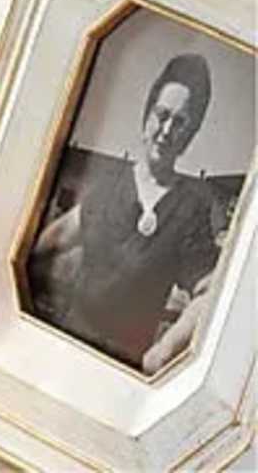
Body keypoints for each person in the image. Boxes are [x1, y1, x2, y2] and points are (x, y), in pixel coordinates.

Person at [27, 51, 230, 370]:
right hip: (63, 347)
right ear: (147, 116)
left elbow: (208, 295)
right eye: (162, 115)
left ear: (189, 135)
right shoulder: (110, 186)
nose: (166, 130)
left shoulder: (191, 209)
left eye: (180, 123)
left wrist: (163, 351)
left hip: (123, 366)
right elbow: (45, 246)